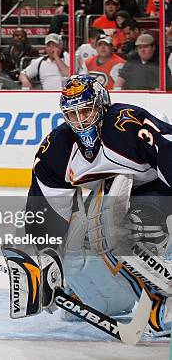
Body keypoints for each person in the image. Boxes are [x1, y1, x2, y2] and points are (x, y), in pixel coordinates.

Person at [24, 74, 172, 335]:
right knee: (80, 239)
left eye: (86, 110)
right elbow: (46, 210)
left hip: (155, 189)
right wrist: (47, 264)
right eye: (73, 114)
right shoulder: (56, 149)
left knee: (134, 228)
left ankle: (160, 298)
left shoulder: (127, 124)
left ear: (101, 104)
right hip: (109, 197)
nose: (80, 120)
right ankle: (94, 293)